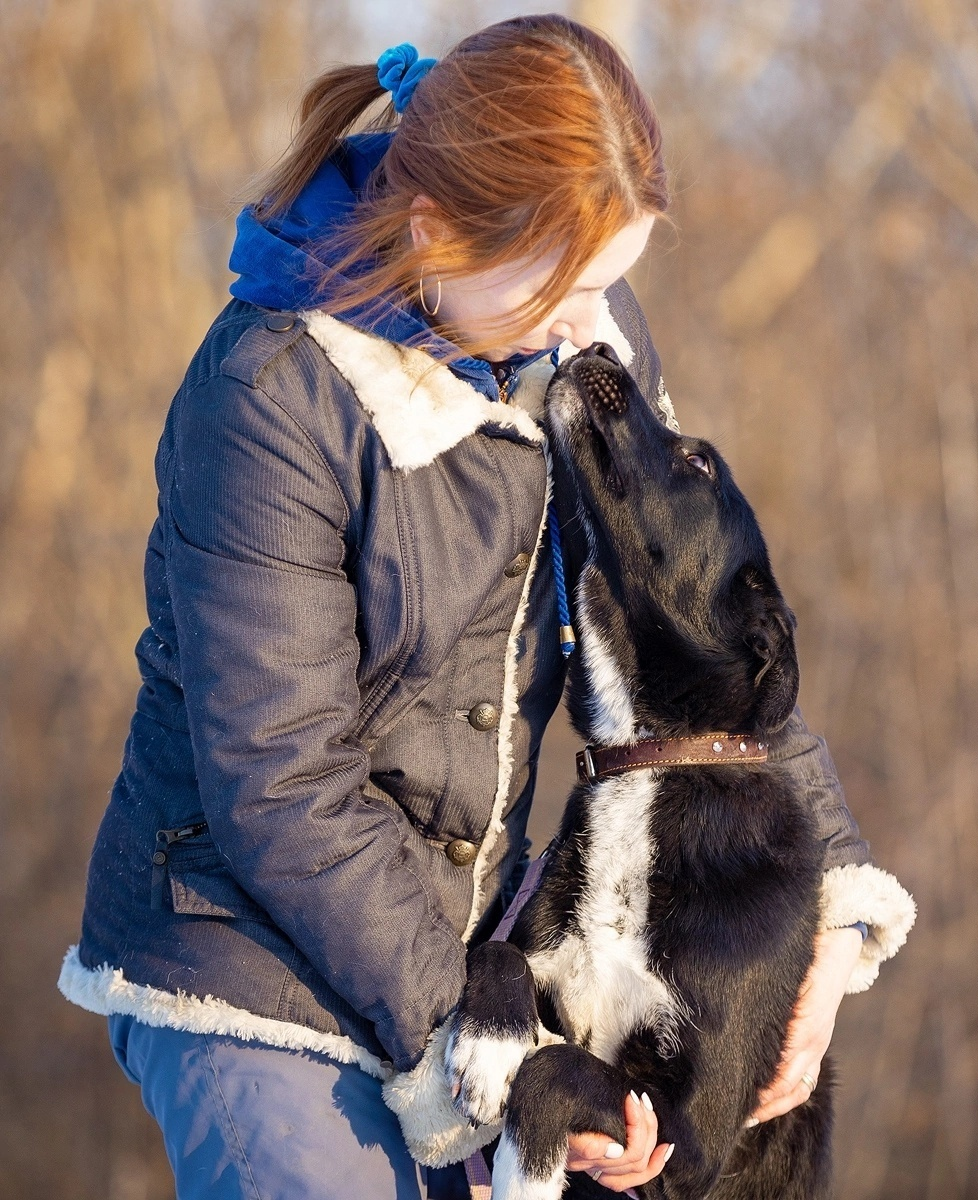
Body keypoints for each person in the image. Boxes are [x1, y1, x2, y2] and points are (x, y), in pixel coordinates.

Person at [58, 14, 916, 1199]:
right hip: (247, 949)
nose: (590, 326)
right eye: (567, 287)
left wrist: (826, 907)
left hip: (469, 953)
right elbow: (279, 785)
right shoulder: (269, 396)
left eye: (611, 287)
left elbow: (687, 620)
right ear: (435, 232)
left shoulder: (571, 344)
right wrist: (482, 1046)